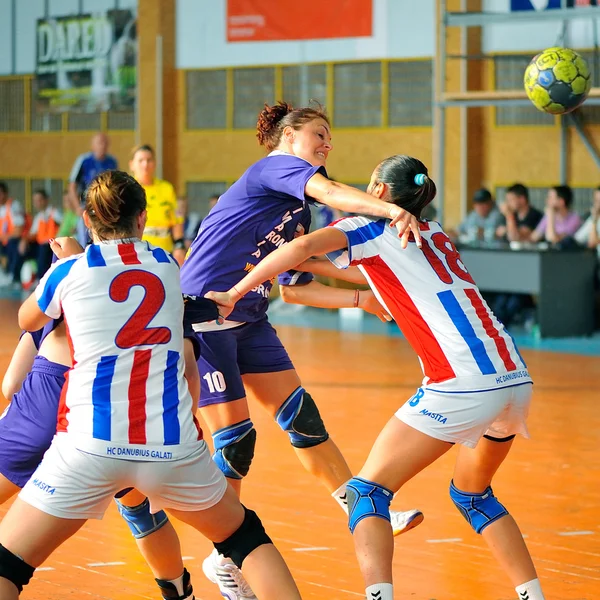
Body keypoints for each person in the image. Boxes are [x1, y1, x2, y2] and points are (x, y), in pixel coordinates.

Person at [207, 155, 545, 600]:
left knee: (365, 494)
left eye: (368, 186)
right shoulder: (434, 235)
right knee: (473, 495)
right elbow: (355, 272)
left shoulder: (364, 228)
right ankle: (533, 595)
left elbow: (301, 251)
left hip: (464, 382)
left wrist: (235, 291)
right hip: (514, 380)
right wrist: (319, 275)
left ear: (380, 193)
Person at [0, 170, 301, 600]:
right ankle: (181, 586)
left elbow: (27, 320)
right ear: (142, 219)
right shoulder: (165, 264)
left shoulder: (71, 270)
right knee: (246, 539)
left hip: (87, 446)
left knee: (8, 564)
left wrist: (64, 263)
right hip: (171, 446)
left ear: (87, 219)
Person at [180, 101, 423, 598]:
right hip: (206, 310)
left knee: (302, 418)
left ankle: (361, 507)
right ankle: (227, 554)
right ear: (288, 137)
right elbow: (334, 192)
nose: (326, 142)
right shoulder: (274, 169)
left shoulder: (297, 209)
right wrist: (391, 207)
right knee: (236, 440)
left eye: (329, 135)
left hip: (248, 316)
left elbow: (293, 285)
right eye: (318, 133)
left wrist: (365, 301)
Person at [129, 144, 186, 265]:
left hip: (164, 249)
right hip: (137, 250)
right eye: (141, 160)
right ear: (132, 164)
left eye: (149, 160)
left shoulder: (166, 188)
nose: (145, 164)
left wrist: (179, 244)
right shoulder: (128, 189)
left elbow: (177, 219)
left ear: (155, 163)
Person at [68, 132, 118, 247]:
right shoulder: (84, 160)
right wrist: (77, 207)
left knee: (106, 241)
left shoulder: (112, 162)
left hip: (106, 209)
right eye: (100, 142)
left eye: (105, 142)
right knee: (85, 241)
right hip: (87, 207)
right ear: (93, 145)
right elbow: (72, 185)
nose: (103, 145)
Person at [27, 190, 62, 279]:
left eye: (39, 200)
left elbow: (64, 227)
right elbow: (32, 234)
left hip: (52, 244)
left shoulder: (55, 212)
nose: (37, 203)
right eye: (35, 201)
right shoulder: (39, 216)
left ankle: (40, 278)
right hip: (41, 244)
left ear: (46, 200)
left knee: (43, 250)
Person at [0, 182, 26, 286]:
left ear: (5, 193)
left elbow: (18, 230)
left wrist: (3, 237)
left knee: (12, 243)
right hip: (4, 241)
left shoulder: (13, 206)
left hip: (17, 240)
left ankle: (13, 276)